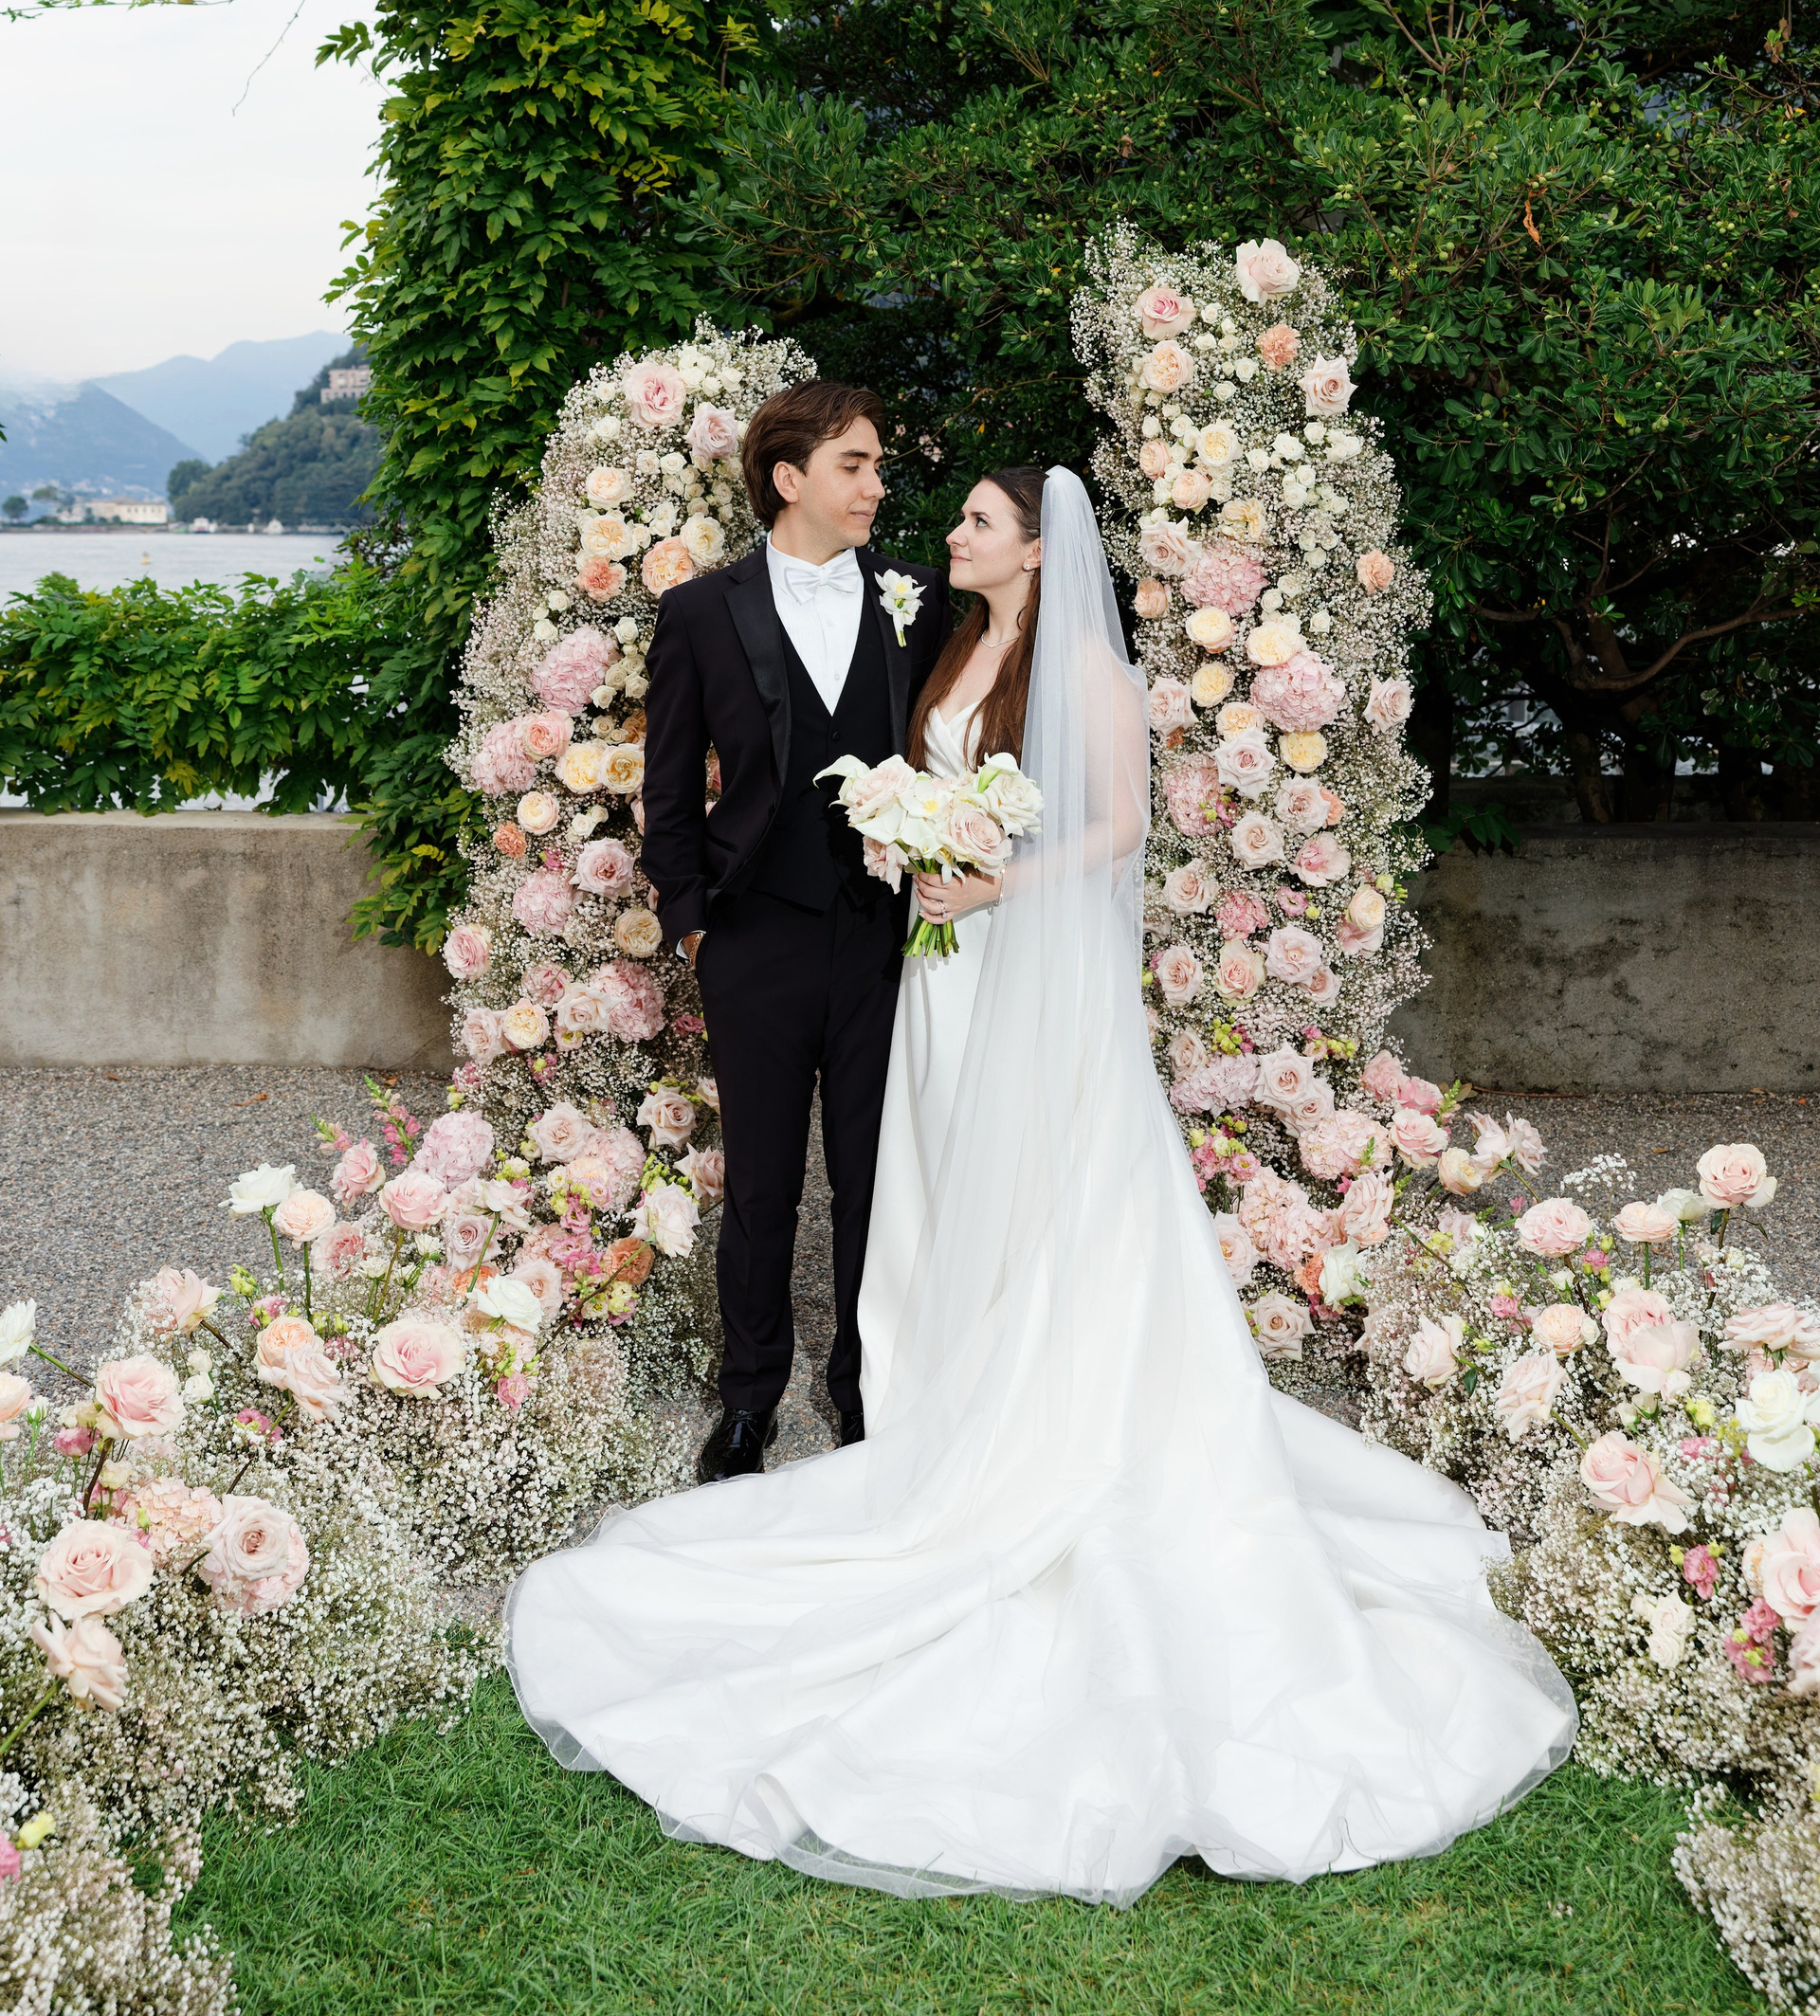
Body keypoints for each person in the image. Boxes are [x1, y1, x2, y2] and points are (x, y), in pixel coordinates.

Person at [510, 467, 1576, 1901]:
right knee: (941, 1185)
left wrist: (994, 881)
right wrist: (906, 842)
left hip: (1023, 964)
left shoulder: (1082, 667)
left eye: (975, 523)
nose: (947, 533)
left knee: (1051, 1193)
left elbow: (1121, 828)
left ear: (1033, 547)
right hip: (942, 975)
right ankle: (940, 1392)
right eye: (950, 518)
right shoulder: (945, 645)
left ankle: (1037, 1412)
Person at [639, 380, 948, 1483]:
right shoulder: (700, 612)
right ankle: (748, 1403)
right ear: (789, 478)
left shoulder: (914, 597)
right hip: (755, 937)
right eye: (855, 465)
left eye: (877, 466)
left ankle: (869, 1393)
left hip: (884, 938)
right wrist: (693, 929)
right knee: (762, 1185)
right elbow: (668, 786)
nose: (876, 485)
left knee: (877, 1179)